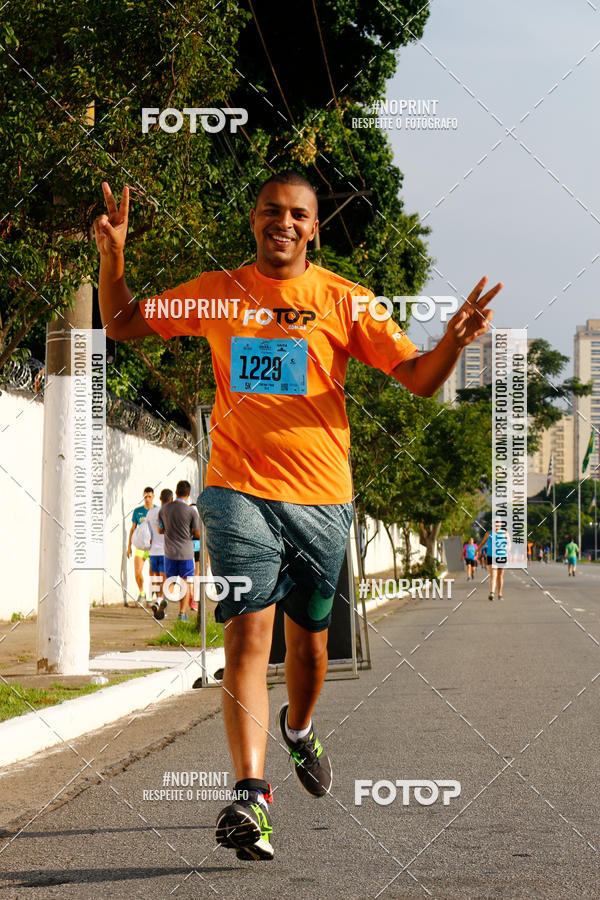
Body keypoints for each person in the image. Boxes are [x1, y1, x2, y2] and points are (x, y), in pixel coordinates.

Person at [95, 172, 502, 861]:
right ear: (253, 221)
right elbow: (123, 323)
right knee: (248, 640)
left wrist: (456, 342)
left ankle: (299, 728)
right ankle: (252, 796)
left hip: (321, 501)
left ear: (314, 228)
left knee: (308, 647)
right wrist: (114, 259)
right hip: (236, 491)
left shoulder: (345, 301)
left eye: (297, 214)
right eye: (270, 212)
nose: (282, 222)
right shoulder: (217, 290)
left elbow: (418, 378)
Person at [157, 480, 201, 622]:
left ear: (175, 492)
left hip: (169, 552)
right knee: (185, 583)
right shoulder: (191, 511)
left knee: (169, 581)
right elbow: (198, 534)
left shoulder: (163, 509)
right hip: (186, 553)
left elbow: (159, 530)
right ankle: (182, 614)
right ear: (188, 494)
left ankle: (164, 599)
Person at [126, 487, 155, 606]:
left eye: (149, 496)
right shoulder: (137, 511)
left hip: (153, 547)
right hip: (140, 547)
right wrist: (129, 546)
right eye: (145, 497)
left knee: (153, 574)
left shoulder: (157, 510)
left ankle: (149, 597)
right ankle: (142, 593)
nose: (147, 499)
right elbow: (133, 529)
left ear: (153, 496)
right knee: (137, 572)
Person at [146, 488, 172, 620]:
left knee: (155, 578)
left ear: (160, 499)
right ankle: (161, 601)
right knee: (165, 579)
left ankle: (157, 600)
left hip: (152, 551)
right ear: (171, 500)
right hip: (164, 551)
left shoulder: (151, 512)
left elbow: (147, 530)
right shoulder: (169, 513)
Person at [480, 520, 511, 601]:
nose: (497, 524)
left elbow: (509, 544)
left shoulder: (505, 533)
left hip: (502, 556)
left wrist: (506, 551)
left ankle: (500, 593)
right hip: (491, 556)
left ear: (501, 524)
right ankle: (492, 593)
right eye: (495, 523)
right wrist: (477, 551)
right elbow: (483, 543)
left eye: (498, 522)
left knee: (500, 576)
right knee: (493, 575)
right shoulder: (488, 533)